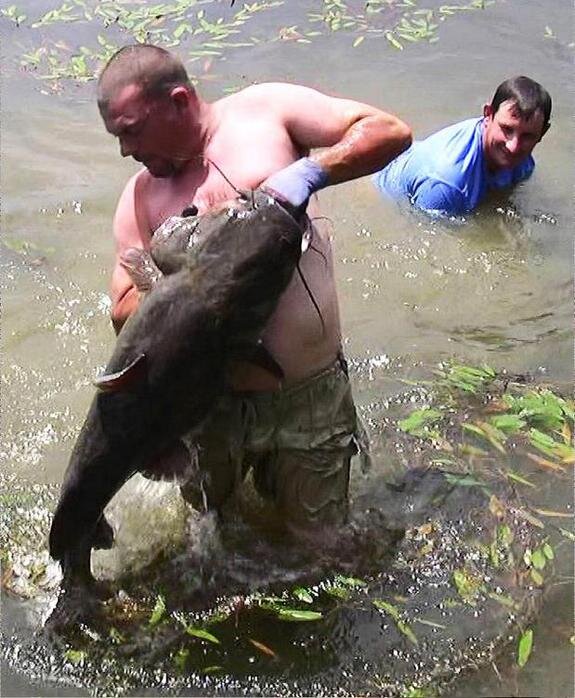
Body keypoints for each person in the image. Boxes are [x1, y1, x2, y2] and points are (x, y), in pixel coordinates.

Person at [96, 44, 412, 542]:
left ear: (179, 101)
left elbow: (389, 132)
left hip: (308, 395)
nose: (125, 150)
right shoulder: (139, 197)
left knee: (321, 548)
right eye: (116, 136)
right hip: (207, 408)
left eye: (131, 130)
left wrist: (310, 172)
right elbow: (122, 310)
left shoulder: (267, 111)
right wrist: (185, 289)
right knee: (210, 541)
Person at [373, 76, 551, 216]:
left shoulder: (523, 161)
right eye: (506, 129)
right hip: (379, 191)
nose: (513, 146)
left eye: (528, 136)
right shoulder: (447, 183)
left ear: (542, 133)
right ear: (488, 115)